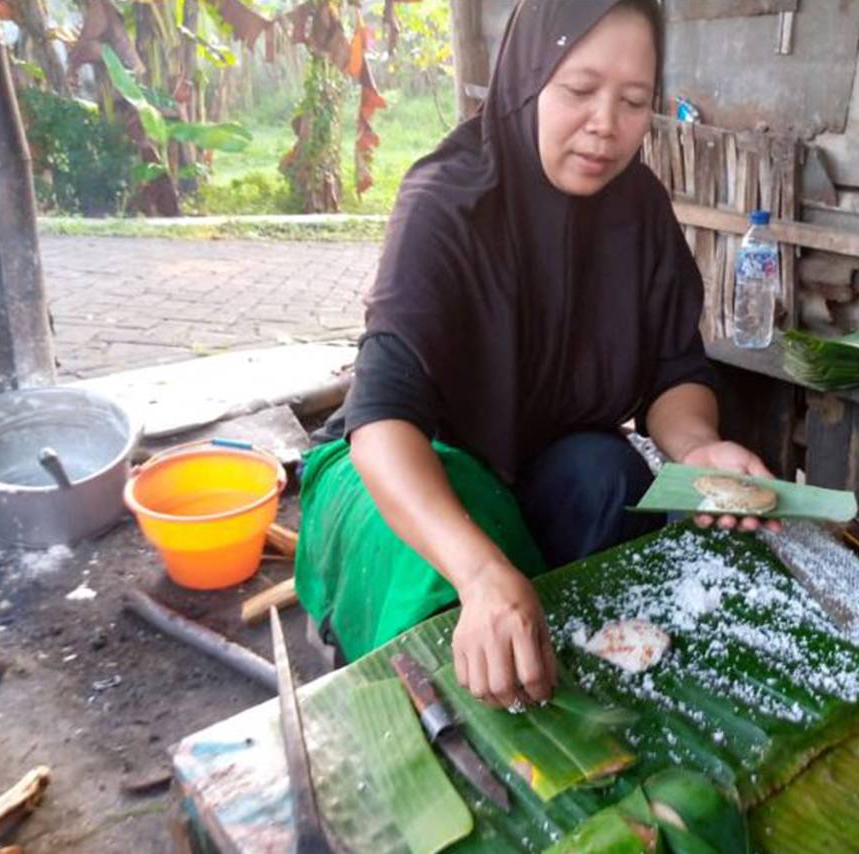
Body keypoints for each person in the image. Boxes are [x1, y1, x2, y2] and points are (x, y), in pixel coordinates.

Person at [295, 0, 777, 709]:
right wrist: (480, 573)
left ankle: (579, 674)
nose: (606, 125)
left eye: (634, 101)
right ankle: (430, 722)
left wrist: (698, 449)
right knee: (446, 583)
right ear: (527, 76)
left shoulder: (638, 209)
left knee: (609, 474)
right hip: (407, 474)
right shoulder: (448, 200)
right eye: (579, 90)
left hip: (532, 458)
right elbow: (382, 419)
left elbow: (675, 370)